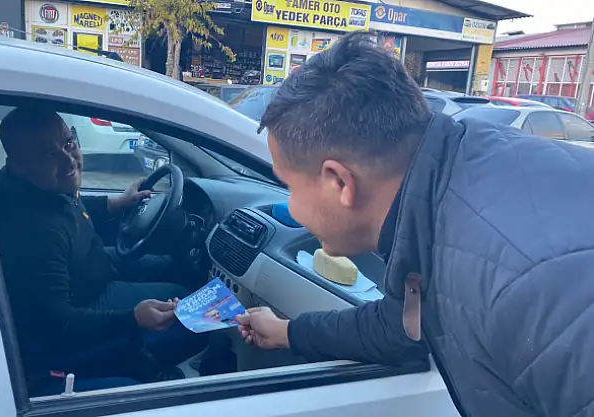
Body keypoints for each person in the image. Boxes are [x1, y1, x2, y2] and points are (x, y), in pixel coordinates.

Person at [236, 32, 594, 417]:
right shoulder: (444, 179)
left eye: (289, 186)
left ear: (339, 182)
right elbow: (403, 326)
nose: (290, 206)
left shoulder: (529, 284)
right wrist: (288, 333)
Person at [0, 107, 204, 394]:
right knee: (188, 304)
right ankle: (162, 373)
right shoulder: (31, 231)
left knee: (169, 266)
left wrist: (115, 204)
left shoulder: (35, 187)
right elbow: (56, 322)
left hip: (92, 267)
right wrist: (133, 318)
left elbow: (69, 208)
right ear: (17, 162)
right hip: (84, 302)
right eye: (48, 154)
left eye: (68, 143)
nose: (68, 160)